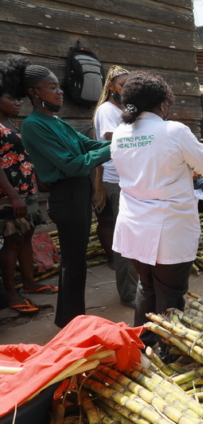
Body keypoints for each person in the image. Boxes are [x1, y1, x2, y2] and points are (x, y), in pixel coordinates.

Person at [111, 71, 203, 347]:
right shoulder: (174, 131)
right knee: (170, 295)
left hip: (134, 227)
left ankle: (142, 347)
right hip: (169, 228)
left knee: (147, 288)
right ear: (162, 103)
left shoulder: (120, 133)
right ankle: (168, 353)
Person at [19, 63, 111, 328]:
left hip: (79, 192)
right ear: (35, 92)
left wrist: (124, 140)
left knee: (77, 260)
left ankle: (74, 318)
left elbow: (88, 145)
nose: (60, 92)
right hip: (66, 194)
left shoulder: (57, 122)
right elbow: (73, 164)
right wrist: (116, 148)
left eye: (59, 86)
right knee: (73, 261)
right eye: (52, 87)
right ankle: (70, 322)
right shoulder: (33, 125)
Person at [0, 55, 48, 314]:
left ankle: (30, 283)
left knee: (27, 237)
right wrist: (14, 196)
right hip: (9, 195)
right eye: (11, 99)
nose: (17, 103)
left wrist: (37, 182)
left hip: (26, 191)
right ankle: (11, 294)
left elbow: (23, 156)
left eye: (18, 99)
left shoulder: (11, 124)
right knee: (13, 242)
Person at [92, 65, 138, 309]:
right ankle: (128, 294)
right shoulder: (106, 110)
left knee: (134, 234)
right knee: (125, 237)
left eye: (129, 86)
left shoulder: (125, 109)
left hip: (132, 178)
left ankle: (137, 286)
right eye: (122, 85)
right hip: (117, 180)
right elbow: (112, 136)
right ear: (111, 86)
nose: (125, 90)